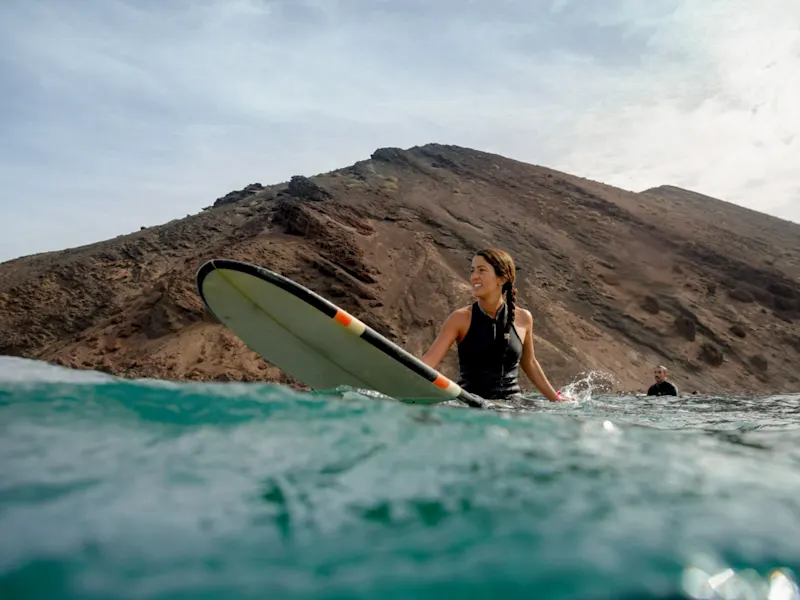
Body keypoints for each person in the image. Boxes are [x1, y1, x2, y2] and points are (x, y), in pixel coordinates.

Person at [420, 248, 568, 403]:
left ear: (501, 279)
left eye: (482, 270)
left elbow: (529, 362)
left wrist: (556, 398)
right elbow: (429, 361)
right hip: (472, 403)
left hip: (513, 405)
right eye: (473, 270)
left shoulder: (523, 318)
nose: (474, 276)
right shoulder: (460, 318)